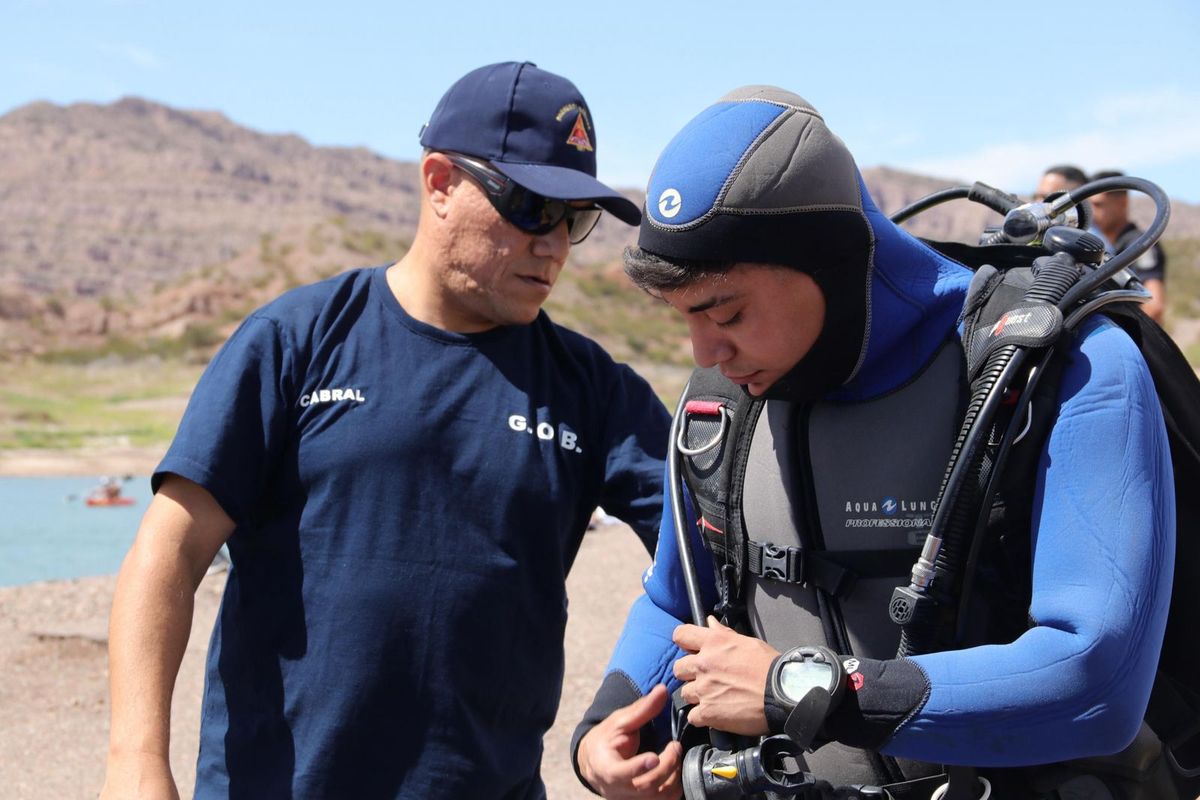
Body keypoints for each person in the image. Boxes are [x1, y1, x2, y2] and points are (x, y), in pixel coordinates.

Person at [572, 87, 1174, 799]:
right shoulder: (722, 405)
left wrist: (797, 688)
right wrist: (606, 729)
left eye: (725, 311)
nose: (707, 350)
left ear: (826, 257)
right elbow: (678, 601)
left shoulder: (1065, 368)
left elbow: (1096, 681)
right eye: (685, 318)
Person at [101, 61, 671, 800]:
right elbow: (168, 553)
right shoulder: (296, 341)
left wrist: (626, 716)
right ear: (439, 182)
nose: (554, 244)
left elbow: (707, 554)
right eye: (531, 207)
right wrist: (134, 763)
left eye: (576, 220)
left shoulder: (591, 390)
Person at [1090, 169, 1168, 324]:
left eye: (1098, 205)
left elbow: (1154, 306)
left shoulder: (1140, 244)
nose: (1092, 212)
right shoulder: (1104, 244)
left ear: (1122, 202)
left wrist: (1120, 338)